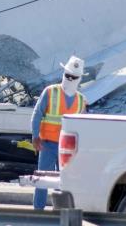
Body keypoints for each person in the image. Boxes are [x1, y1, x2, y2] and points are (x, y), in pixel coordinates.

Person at [30, 56, 87, 210]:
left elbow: (82, 127)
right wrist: (35, 136)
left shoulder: (81, 100)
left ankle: (60, 211)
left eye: (73, 77)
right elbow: (37, 114)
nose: (69, 79)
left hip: (67, 149)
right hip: (47, 144)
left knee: (64, 181)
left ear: (79, 78)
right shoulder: (50, 92)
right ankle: (38, 212)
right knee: (42, 180)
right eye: (67, 75)